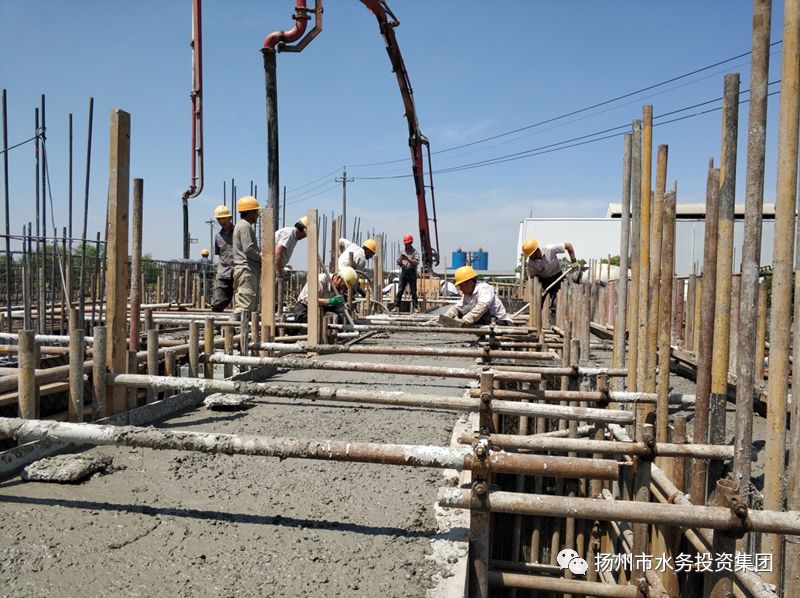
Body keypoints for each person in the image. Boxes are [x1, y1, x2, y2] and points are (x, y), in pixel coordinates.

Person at [445, 266, 513, 326]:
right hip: (487, 320)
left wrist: (464, 321)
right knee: (463, 310)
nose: (460, 288)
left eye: (461, 285)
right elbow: (458, 307)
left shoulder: (485, 288)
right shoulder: (467, 294)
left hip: (499, 322)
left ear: (470, 283)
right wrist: (448, 316)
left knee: (467, 309)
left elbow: (481, 308)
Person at [522, 238, 577, 310]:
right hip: (543, 281)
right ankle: (538, 319)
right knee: (538, 303)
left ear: (536, 250)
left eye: (531, 255)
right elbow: (533, 277)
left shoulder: (550, 249)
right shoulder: (530, 262)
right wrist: (539, 289)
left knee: (557, 302)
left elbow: (569, 246)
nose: (530, 257)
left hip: (558, 277)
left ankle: (554, 316)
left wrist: (574, 261)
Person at [232, 196, 261, 321]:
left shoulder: (242, 225)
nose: (257, 215)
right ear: (250, 212)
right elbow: (249, 249)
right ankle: (229, 333)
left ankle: (235, 335)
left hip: (246, 270)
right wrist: (263, 258)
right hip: (246, 270)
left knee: (248, 306)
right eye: (256, 212)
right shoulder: (245, 226)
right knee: (244, 307)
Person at [211, 205, 234, 312]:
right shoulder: (218, 236)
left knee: (242, 302)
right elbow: (220, 255)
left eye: (224, 218)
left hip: (239, 271)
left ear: (230, 218)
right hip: (224, 272)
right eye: (219, 219)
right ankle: (215, 326)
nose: (222, 221)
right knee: (218, 301)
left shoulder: (238, 233)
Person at [393, 233, 419, 312]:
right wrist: (401, 259)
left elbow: (416, 262)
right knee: (400, 290)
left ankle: (416, 307)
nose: (406, 245)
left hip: (411, 272)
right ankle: (396, 306)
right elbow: (398, 262)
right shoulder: (402, 252)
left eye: (407, 243)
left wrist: (407, 259)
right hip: (404, 272)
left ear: (410, 243)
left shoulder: (415, 252)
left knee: (413, 291)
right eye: (405, 243)